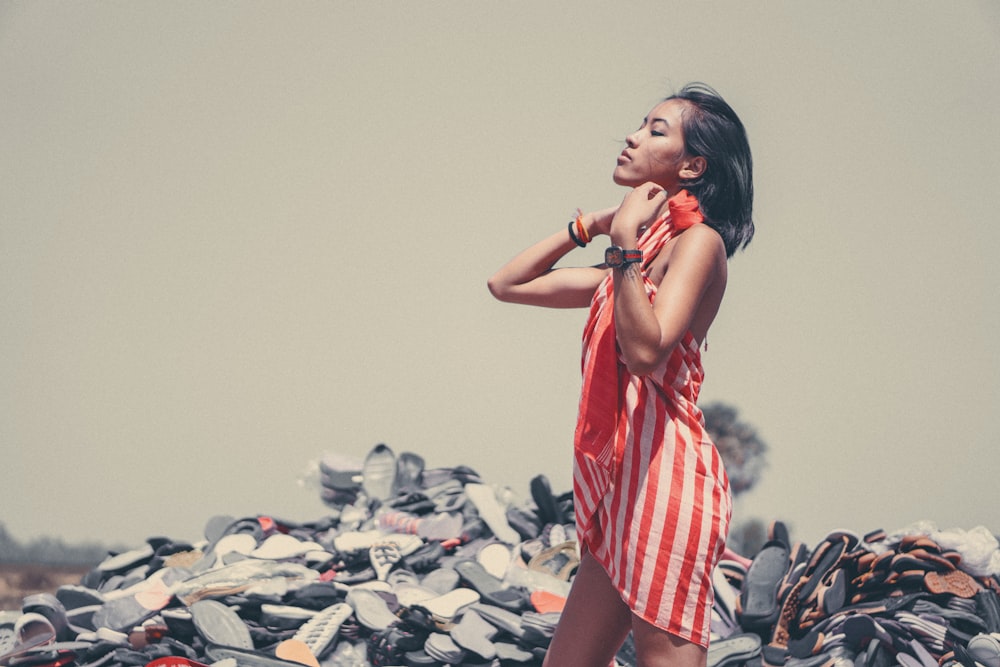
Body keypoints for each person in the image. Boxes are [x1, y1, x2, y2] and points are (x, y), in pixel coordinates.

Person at [488, 82, 754, 667]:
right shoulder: (625, 263)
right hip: (619, 485)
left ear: (692, 165)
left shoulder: (699, 244)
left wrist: (625, 242)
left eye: (656, 130)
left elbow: (646, 351)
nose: (632, 137)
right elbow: (507, 285)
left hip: (665, 478)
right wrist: (593, 226)